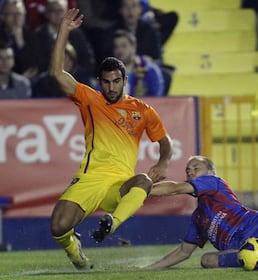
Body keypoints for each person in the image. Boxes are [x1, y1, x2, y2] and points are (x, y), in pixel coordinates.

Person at [49, 8, 173, 270]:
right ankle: (76, 252)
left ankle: (111, 223)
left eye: (116, 81)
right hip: (91, 177)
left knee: (144, 180)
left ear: (125, 80)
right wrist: (63, 31)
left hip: (120, 183)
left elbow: (165, 141)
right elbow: (57, 73)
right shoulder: (89, 99)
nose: (111, 87)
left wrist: (163, 162)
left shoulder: (142, 110)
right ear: (100, 83)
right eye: (106, 82)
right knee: (58, 227)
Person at [36, 0, 95, 75]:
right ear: (46, 14)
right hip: (48, 78)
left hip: (76, 77)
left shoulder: (76, 33)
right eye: (52, 10)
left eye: (60, 10)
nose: (57, 14)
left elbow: (87, 59)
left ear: (66, 12)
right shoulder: (37, 35)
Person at [112, 29, 164, 97]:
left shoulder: (150, 70)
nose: (119, 50)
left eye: (124, 46)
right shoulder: (108, 73)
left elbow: (157, 98)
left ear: (134, 47)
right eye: (116, 47)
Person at [0, 0, 40, 80]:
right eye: (11, 14)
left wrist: (20, 42)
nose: (16, 18)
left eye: (19, 14)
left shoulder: (32, 36)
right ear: (2, 16)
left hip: (26, 81)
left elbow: (32, 68)